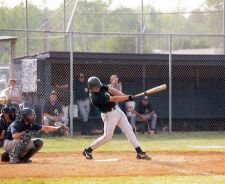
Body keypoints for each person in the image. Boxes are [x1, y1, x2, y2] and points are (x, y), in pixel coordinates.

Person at [83, 76, 150, 160]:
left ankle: (139, 152)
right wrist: (127, 98)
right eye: (96, 87)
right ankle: (88, 151)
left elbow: (111, 90)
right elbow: (113, 98)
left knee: (129, 129)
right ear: (91, 88)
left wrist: (125, 96)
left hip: (117, 110)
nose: (98, 88)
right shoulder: (95, 98)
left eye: (98, 86)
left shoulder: (100, 86)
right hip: (108, 115)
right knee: (107, 137)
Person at [3, 107, 67, 164]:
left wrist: (58, 128)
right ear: (24, 116)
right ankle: (13, 158)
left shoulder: (31, 124)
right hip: (9, 143)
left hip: (18, 143)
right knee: (26, 137)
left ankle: (23, 159)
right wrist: (24, 133)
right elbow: (14, 136)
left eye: (32, 115)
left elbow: (45, 128)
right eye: (30, 115)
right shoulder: (17, 123)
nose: (32, 116)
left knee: (39, 142)